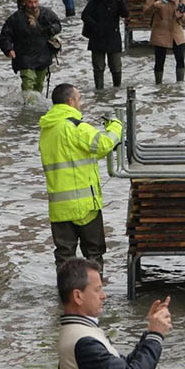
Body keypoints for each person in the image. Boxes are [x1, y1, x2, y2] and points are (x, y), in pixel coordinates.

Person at [39, 84, 123, 265]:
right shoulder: (75, 126)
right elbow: (105, 144)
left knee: (64, 257)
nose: (80, 103)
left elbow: (78, 154)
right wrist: (116, 125)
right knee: (93, 254)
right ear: (70, 102)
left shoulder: (47, 130)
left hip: (59, 208)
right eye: (79, 99)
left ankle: (67, 292)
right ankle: (93, 291)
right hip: (84, 207)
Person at [0, 0, 62, 104]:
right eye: (30, 2)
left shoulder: (46, 14)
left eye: (35, 2)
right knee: (28, 86)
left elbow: (58, 25)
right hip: (25, 57)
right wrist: (9, 49)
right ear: (24, 2)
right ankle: (27, 112)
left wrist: (52, 29)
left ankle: (35, 113)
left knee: (39, 87)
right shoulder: (16, 18)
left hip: (42, 57)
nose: (33, 5)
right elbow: (5, 36)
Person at [82, 0, 132, 90]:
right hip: (98, 37)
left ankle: (117, 89)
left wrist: (120, 1)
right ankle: (99, 91)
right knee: (98, 67)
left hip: (113, 36)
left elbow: (125, 14)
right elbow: (85, 15)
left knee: (116, 66)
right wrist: (96, 27)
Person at [144, 0, 185, 84]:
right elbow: (145, 11)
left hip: (176, 30)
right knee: (159, 61)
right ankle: (158, 85)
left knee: (180, 59)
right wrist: (154, 6)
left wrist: (181, 16)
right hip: (160, 30)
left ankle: (180, 84)